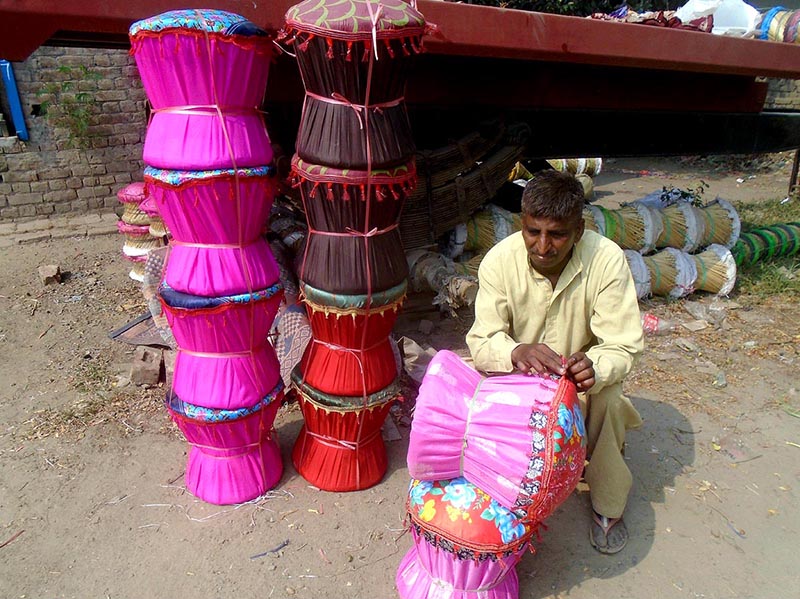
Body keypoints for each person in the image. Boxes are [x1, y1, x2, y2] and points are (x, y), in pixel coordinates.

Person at [466, 169, 644, 554]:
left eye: (557, 234)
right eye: (533, 232)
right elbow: (482, 341)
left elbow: (624, 345)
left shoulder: (606, 260)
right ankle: (501, 491)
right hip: (520, 383)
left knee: (610, 397)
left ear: (578, 231)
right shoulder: (499, 261)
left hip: (578, 386)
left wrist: (594, 366)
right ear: (521, 223)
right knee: (471, 386)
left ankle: (607, 504)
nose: (543, 246)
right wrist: (515, 352)